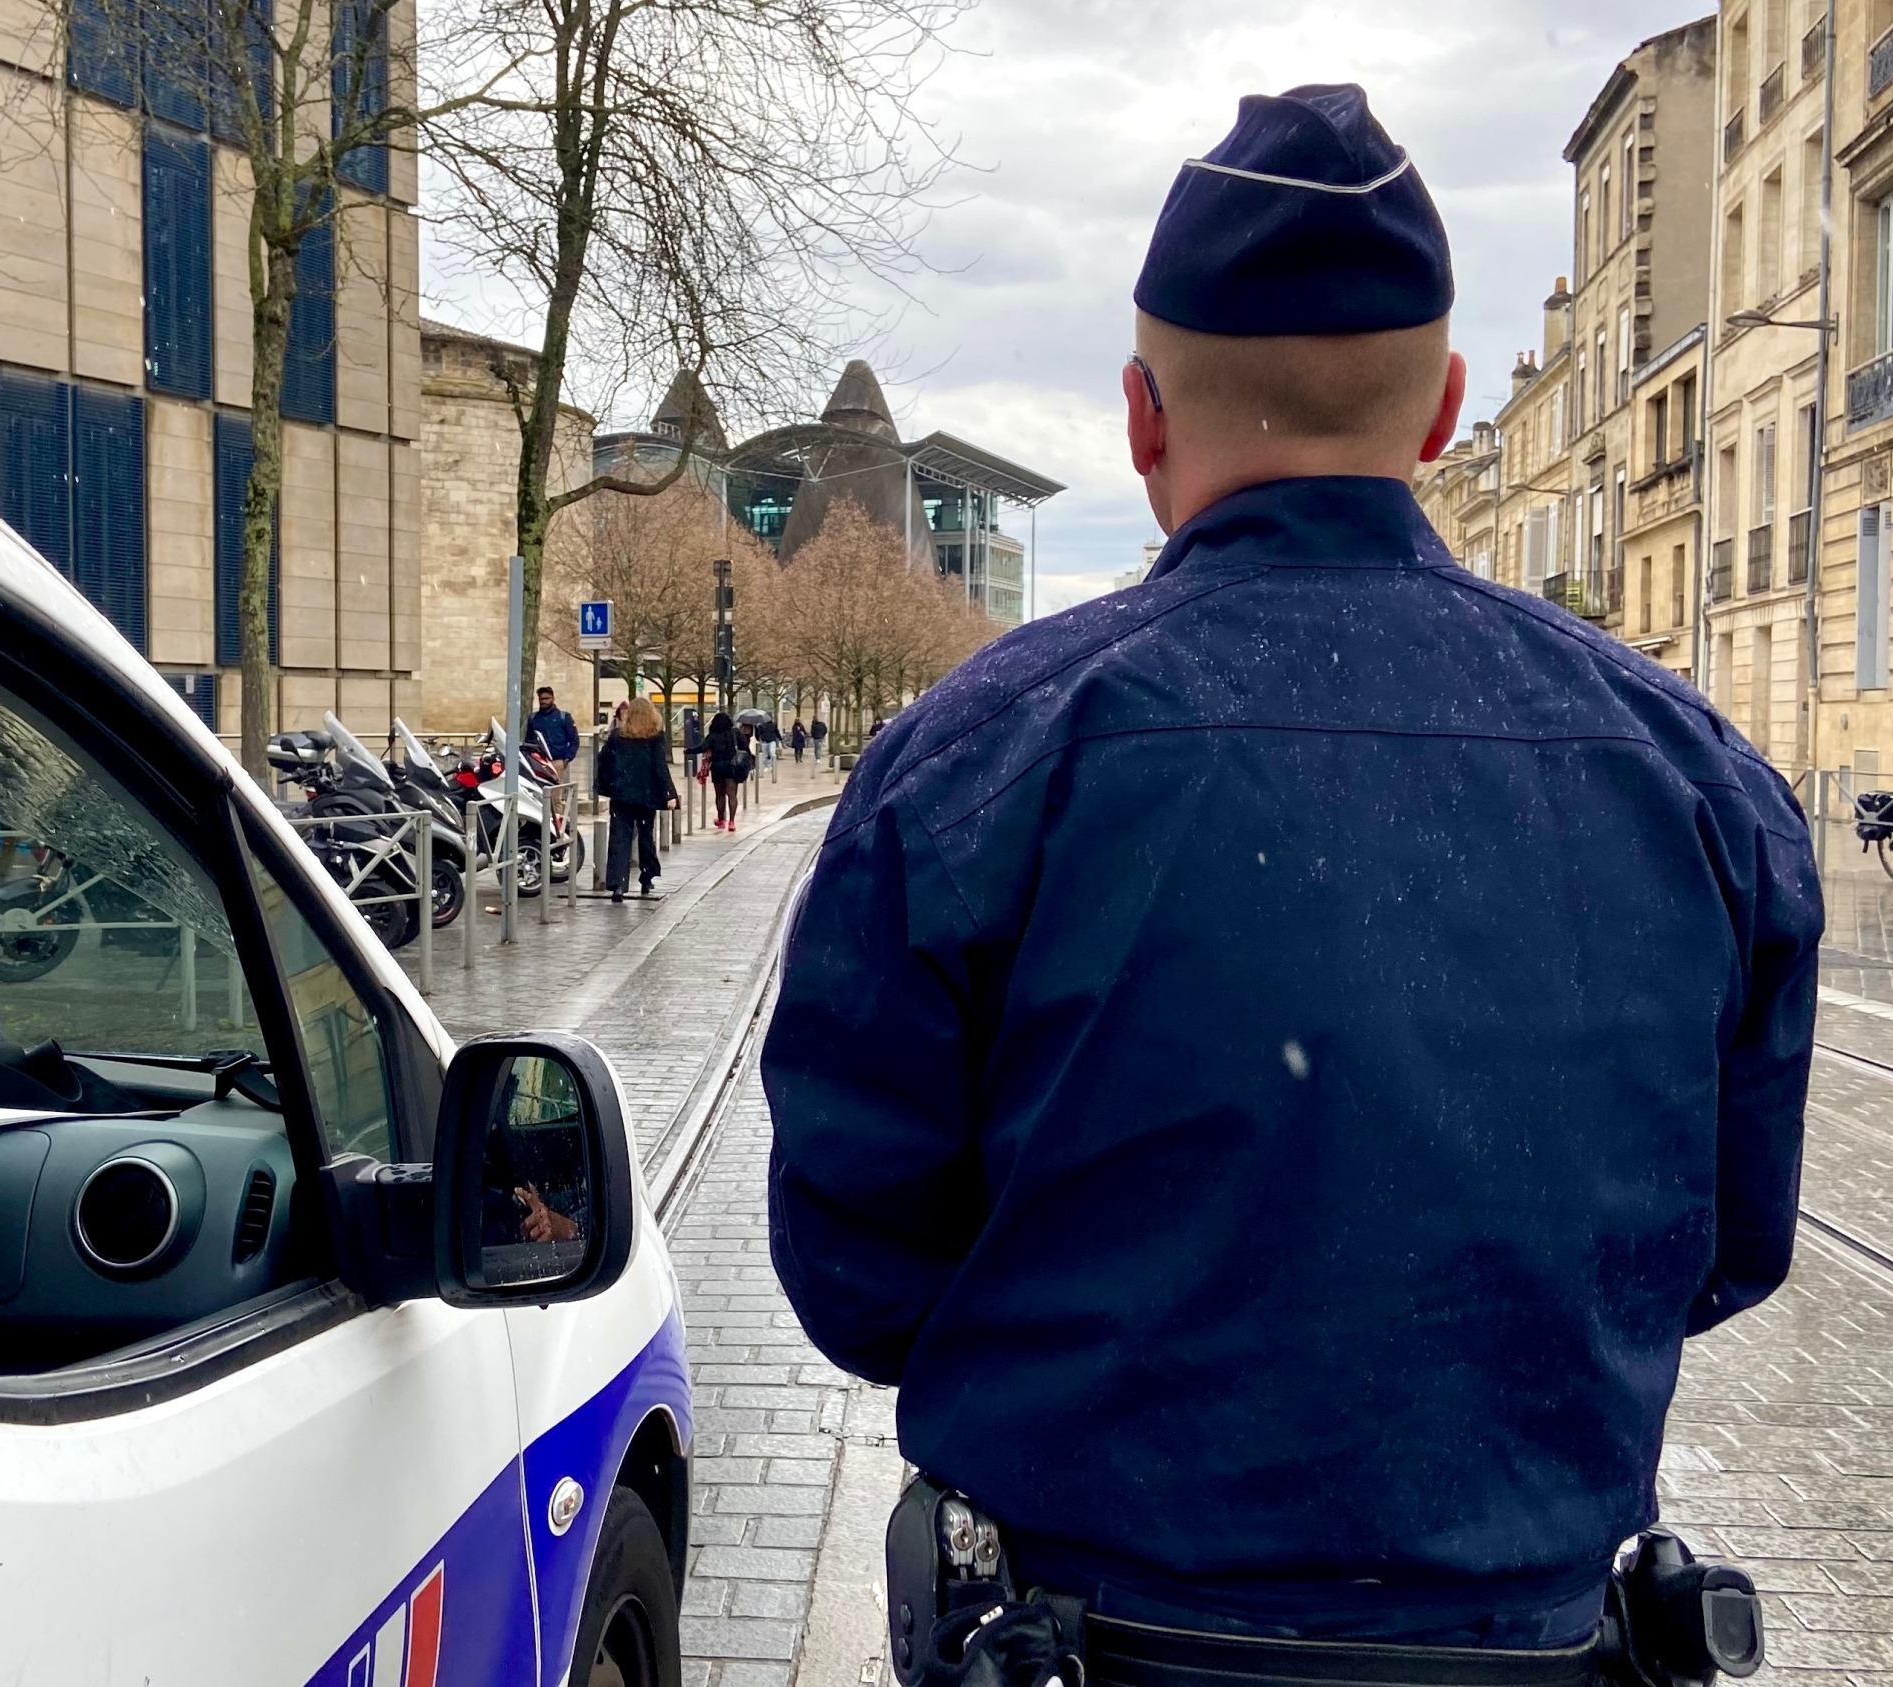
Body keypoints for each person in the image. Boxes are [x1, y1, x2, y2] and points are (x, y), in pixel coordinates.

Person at [762, 83, 1820, 1661]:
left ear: (1142, 417)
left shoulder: (972, 758)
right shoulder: (1693, 775)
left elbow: (857, 1264)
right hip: (1523, 1636)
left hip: (1092, 1629)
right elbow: (1729, 1241)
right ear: (1446, 407)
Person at [595, 699, 678, 902]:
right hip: (646, 795)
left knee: (619, 837)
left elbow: (604, 760)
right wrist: (669, 793)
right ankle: (646, 877)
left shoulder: (617, 736)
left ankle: (618, 884)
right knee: (645, 835)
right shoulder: (655, 737)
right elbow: (660, 766)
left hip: (622, 794)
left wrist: (606, 785)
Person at [698, 712, 751, 831]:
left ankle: (721, 819)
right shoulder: (734, 733)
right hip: (732, 767)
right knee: (732, 795)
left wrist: (688, 751)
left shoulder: (713, 735)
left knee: (720, 795)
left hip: (717, 767)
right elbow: (745, 745)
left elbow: (702, 747)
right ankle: (732, 822)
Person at [524, 685, 579, 770]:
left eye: (547, 698)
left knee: (558, 783)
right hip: (539, 762)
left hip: (558, 761)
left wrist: (567, 759)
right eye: (541, 699)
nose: (543, 701)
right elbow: (529, 741)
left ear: (553, 698)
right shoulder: (533, 718)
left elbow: (574, 740)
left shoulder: (564, 717)